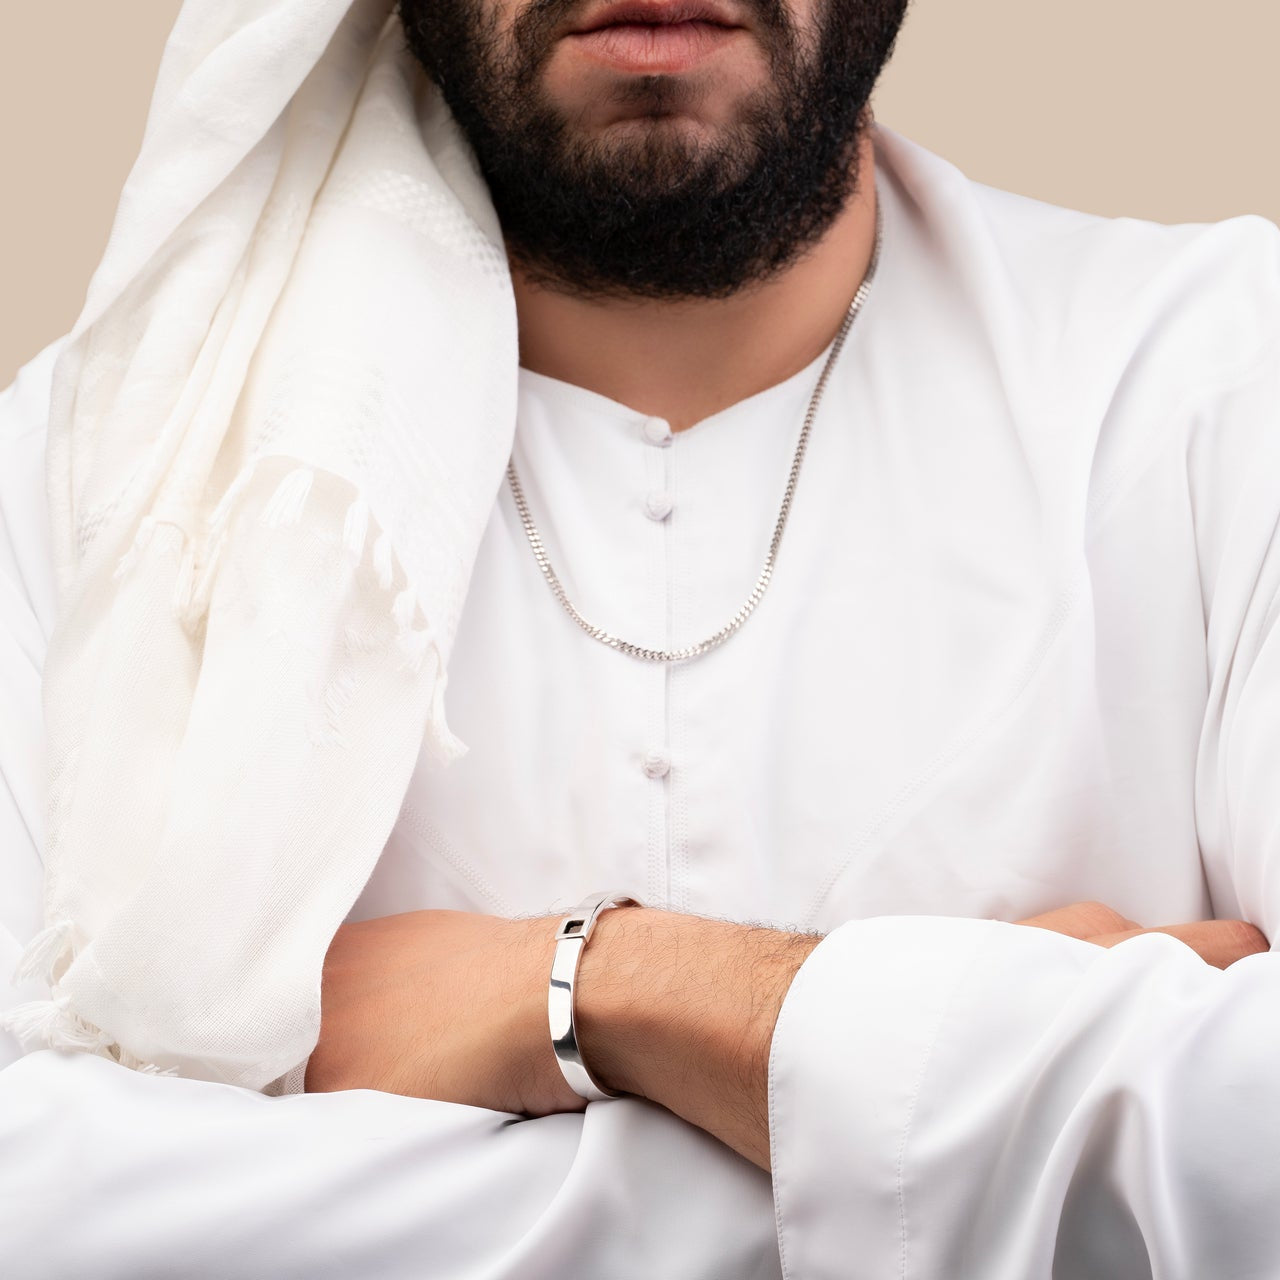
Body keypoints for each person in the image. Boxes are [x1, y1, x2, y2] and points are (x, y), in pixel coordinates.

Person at [1, 0, 1278, 1274]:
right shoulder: (109, 474)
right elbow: (36, 1207)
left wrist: (592, 989)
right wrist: (976, 1115)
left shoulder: (1215, 378)